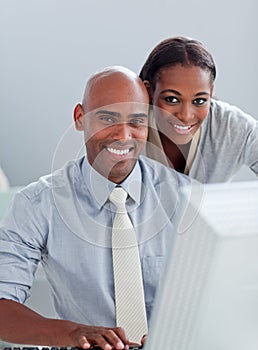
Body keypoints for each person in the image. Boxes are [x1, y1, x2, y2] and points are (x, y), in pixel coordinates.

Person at [0, 66, 197, 349]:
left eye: (137, 122)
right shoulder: (37, 204)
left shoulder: (185, 197)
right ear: (80, 118)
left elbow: (219, 293)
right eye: (107, 118)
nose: (123, 135)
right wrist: (73, 334)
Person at [139, 36, 258, 183]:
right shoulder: (126, 127)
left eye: (199, 101)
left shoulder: (232, 126)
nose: (185, 115)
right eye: (172, 99)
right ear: (149, 91)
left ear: (211, 93)